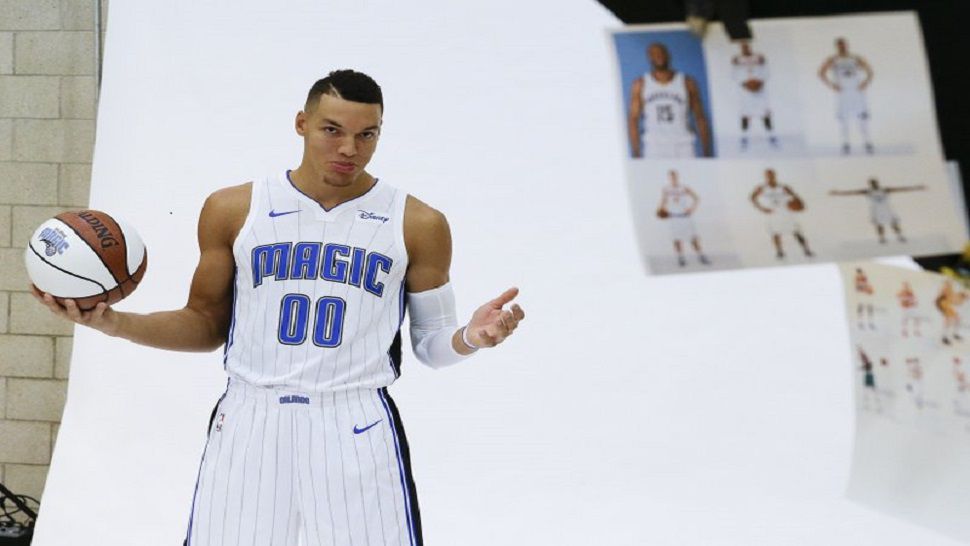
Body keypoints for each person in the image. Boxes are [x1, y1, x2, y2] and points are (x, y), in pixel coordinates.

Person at [32, 70, 526, 546]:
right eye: (332, 130)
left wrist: (471, 338)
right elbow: (205, 324)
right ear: (301, 123)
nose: (349, 149)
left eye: (366, 134)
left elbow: (431, 347)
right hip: (251, 416)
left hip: (354, 420)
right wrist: (113, 322)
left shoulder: (418, 222)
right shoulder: (234, 209)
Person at [628, 42, 712, 158]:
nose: (659, 56)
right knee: (655, 176)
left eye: (662, 53)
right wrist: (636, 152)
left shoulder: (687, 82)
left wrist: (706, 150)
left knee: (691, 176)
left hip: (684, 145)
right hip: (654, 146)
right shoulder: (640, 84)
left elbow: (700, 117)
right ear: (649, 58)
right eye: (654, 54)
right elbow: (633, 120)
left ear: (668, 55)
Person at [818, 37, 874, 155]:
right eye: (839, 45)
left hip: (856, 92)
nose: (842, 47)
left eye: (843, 44)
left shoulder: (855, 58)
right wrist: (832, 85)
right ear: (836, 46)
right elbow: (821, 73)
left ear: (847, 45)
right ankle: (846, 143)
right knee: (844, 119)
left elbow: (869, 70)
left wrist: (865, 82)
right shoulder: (833, 59)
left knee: (861, 117)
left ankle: (867, 142)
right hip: (843, 93)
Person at [829, 178, 926, 243]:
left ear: (878, 183)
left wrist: (917, 187)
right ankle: (882, 238)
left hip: (887, 208)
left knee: (894, 223)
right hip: (876, 210)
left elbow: (902, 189)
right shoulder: (867, 191)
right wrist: (838, 193)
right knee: (879, 225)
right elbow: (851, 193)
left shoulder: (885, 189)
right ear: (870, 184)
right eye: (872, 183)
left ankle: (900, 236)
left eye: (875, 182)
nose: (874, 184)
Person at [750, 168, 814, 260]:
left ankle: (807, 250)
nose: (770, 176)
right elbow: (752, 198)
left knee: (796, 232)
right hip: (773, 213)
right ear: (765, 176)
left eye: (771, 174)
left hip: (786, 212)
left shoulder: (783, 187)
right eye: (767, 175)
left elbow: (796, 196)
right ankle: (780, 252)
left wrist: (801, 205)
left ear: (775, 175)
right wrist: (761, 208)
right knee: (775, 233)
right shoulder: (761, 188)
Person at [656, 169, 710, 267]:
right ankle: (681, 258)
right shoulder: (666, 189)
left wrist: (692, 209)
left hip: (685, 217)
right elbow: (663, 201)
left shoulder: (684, 188)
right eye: (671, 177)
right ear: (669, 178)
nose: (673, 178)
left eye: (675, 176)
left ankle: (701, 256)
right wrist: (660, 209)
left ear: (677, 177)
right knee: (676, 239)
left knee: (693, 238)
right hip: (673, 217)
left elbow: (696, 198)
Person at [731, 41, 777, 151]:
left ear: (750, 46)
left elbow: (767, 71)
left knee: (765, 114)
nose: (745, 48)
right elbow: (734, 74)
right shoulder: (737, 59)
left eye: (747, 46)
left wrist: (760, 83)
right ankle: (744, 139)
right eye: (743, 46)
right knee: (745, 115)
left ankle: (771, 137)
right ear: (740, 48)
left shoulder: (759, 57)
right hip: (746, 92)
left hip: (760, 91)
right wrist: (745, 84)